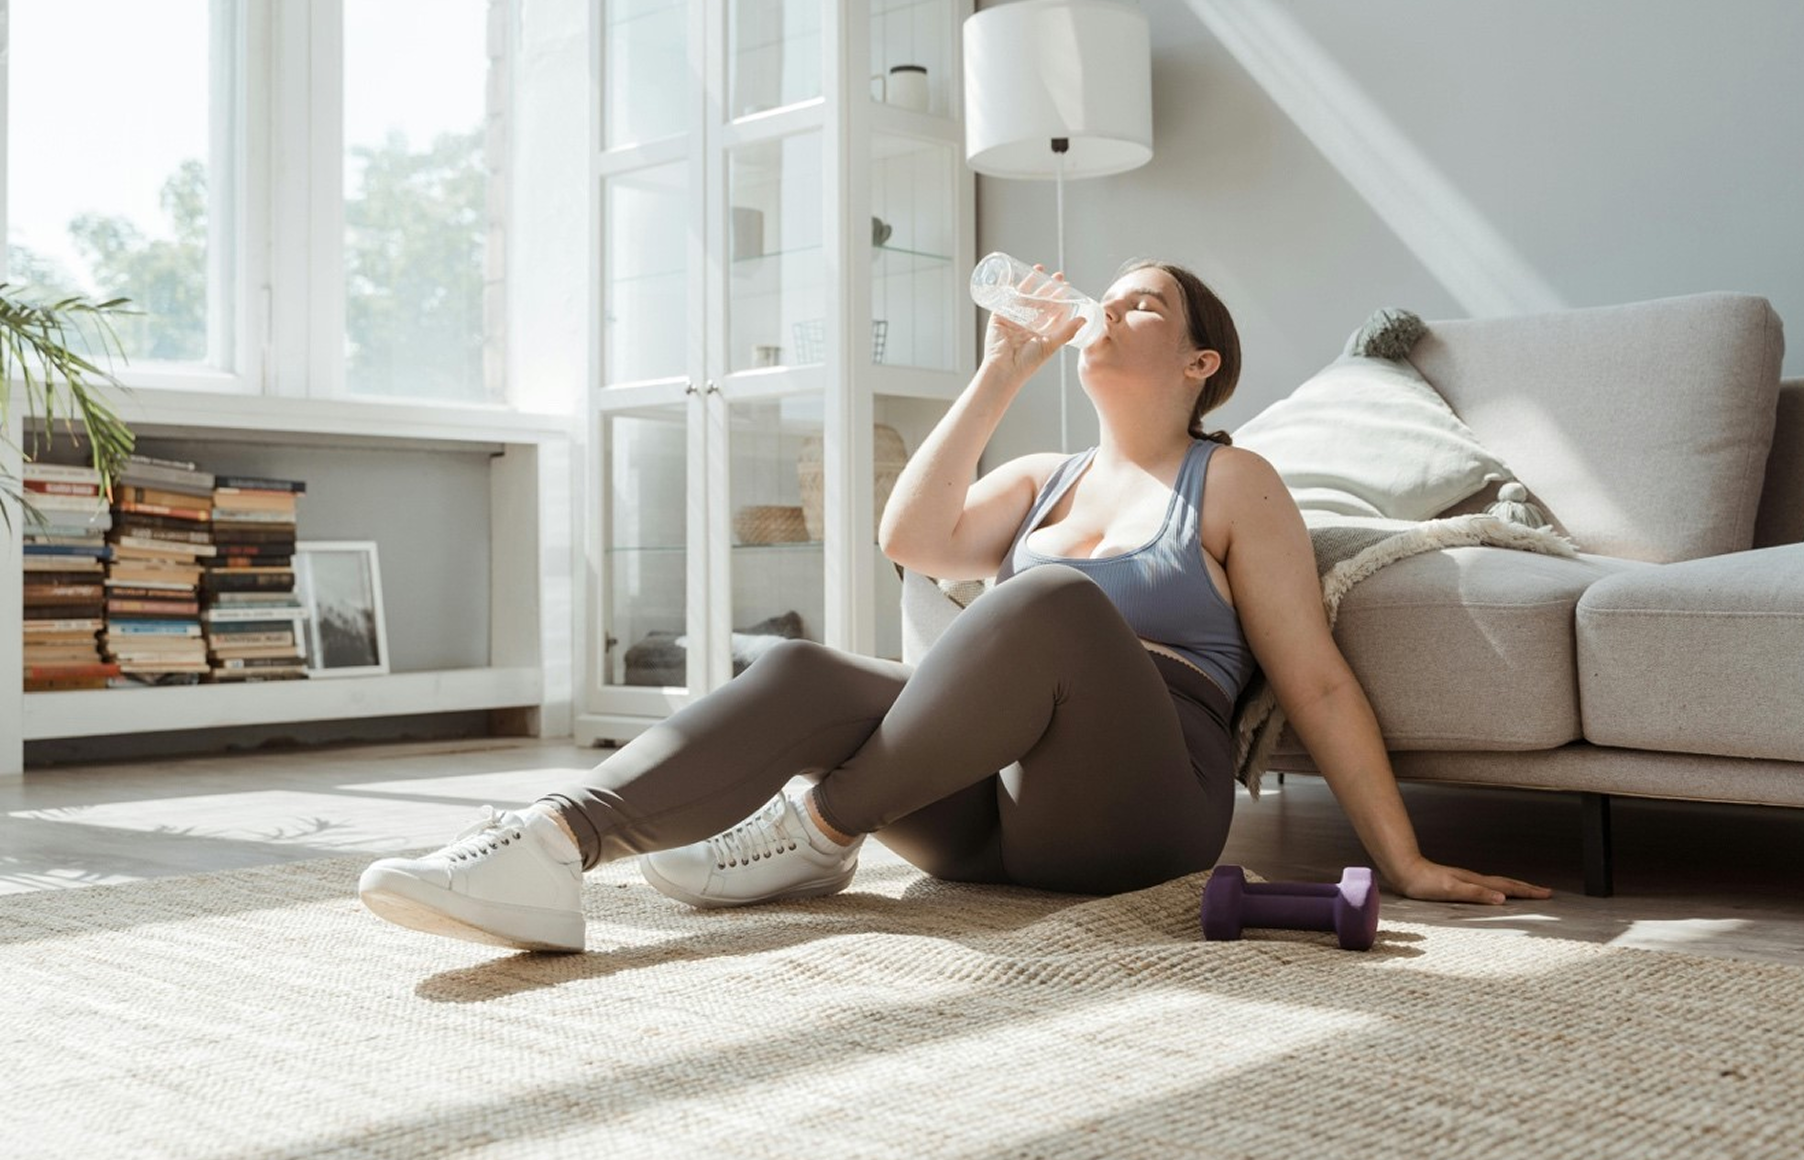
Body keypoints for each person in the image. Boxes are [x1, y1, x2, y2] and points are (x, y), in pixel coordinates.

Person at [358, 258, 1551, 953]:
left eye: (1145, 305)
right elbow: (910, 541)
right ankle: (552, 846)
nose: (1111, 310)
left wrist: (1403, 858)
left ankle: (815, 829)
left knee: (1053, 605)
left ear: (1200, 366)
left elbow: (1317, 677)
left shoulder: (1231, 480)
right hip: (980, 823)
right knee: (803, 673)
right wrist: (998, 372)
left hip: (1139, 807)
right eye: (1114, 295)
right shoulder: (1040, 478)